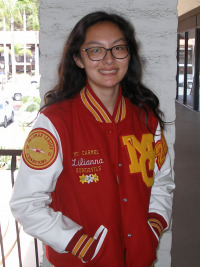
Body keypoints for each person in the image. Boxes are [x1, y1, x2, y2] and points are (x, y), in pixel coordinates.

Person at [10, 11, 175, 267]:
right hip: (82, 261)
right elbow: (26, 203)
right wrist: (80, 244)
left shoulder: (145, 119)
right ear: (78, 58)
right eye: (95, 51)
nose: (108, 60)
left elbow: (162, 183)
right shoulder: (56, 122)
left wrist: (152, 228)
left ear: (128, 55)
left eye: (118, 48)